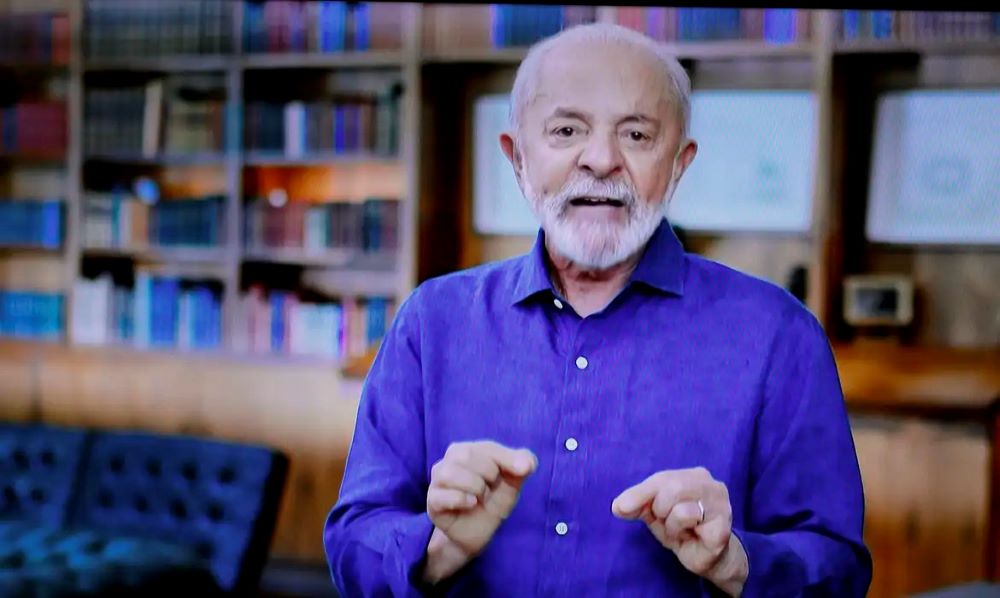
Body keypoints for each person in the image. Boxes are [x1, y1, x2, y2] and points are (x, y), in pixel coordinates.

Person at [324, 22, 872, 597]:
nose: (602, 160)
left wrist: (734, 562)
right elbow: (353, 544)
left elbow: (836, 569)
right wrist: (440, 550)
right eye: (566, 130)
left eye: (637, 135)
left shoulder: (778, 335)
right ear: (517, 158)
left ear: (679, 164)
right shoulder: (431, 322)